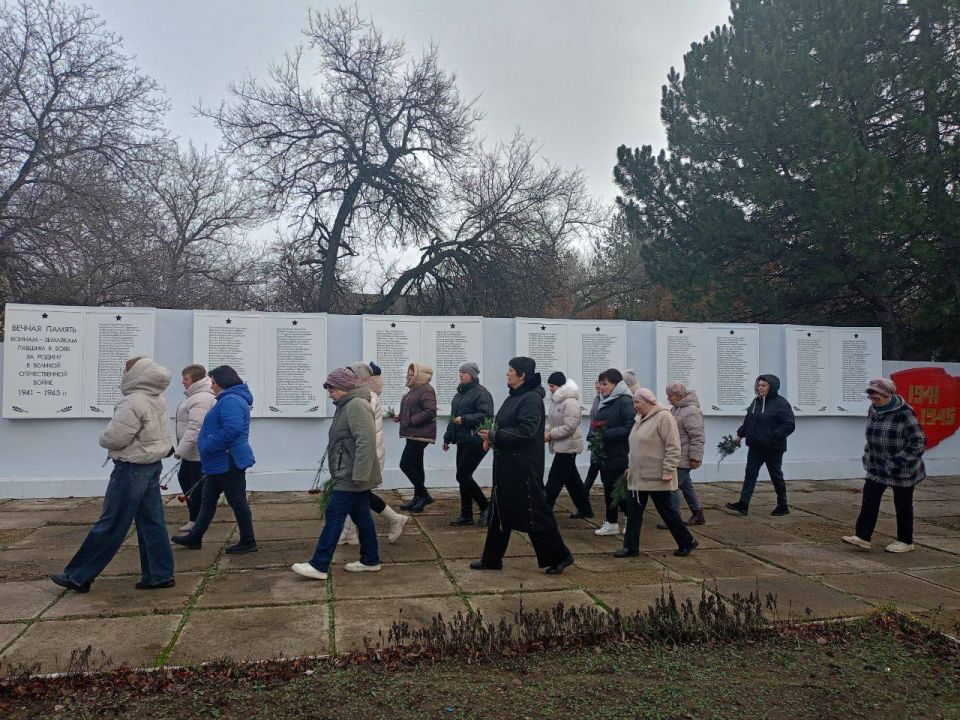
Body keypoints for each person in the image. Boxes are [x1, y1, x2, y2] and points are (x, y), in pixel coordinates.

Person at [51, 357, 176, 592]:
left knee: (111, 522)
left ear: (135, 374)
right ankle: (159, 574)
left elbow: (114, 438)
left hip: (131, 468)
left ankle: (78, 575)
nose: (123, 374)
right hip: (152, 463)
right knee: (152, 522)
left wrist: (103, 438)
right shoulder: (156, 397)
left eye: (126, 371)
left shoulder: (132, 401)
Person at [471, 357, 574, 575]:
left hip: (524, 468)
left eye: (511, 370)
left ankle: (561, 556)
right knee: (499, 511)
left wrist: (495, 435)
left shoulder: (531, 399)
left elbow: (527, 431)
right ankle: (492, 559)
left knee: (534, 512)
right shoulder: (515, 396)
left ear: (522, 375)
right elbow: (504, 426)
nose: (507, 373)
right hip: (507, 465)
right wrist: (492, 438)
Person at [292, 368, 382, 580]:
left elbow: (366, 441)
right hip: (349, 472)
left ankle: (319, 565)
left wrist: (359, 474)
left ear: (344, 387)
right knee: (362, 516)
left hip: (351, 475)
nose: (329, 394)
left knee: (334, 515)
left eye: (332, 389)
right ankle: (370, 560)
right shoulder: (346, 404)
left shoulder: (356, 405)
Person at [172, 365, 258, 554]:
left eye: (213, 382)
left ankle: (248, 541)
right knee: (208, 500)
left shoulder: (232, 400)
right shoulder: (227, 399)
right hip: (220, 461)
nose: (211, 385)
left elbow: (232, 429)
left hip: (228, 460)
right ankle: (195, 537)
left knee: (237, 501)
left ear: (222, 382)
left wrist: (209, 445)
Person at [843, 377, 927, 554]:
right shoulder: (874, 409)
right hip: (877, 465)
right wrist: (868, 455)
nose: (873, 401)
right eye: (871, 398)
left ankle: (905, 541)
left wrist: (899, 461)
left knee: (903, 504)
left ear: (888, 395)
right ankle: (863, 537)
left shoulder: (904, 412)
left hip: (902, 468)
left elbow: (918, 441)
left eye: (877, 398)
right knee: (869, 500)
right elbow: (871, 434)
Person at [616, 388, 699, 558]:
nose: (634, 406)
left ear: (648, 402)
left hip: (657, 476)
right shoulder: (639, 418)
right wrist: (631, 468)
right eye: (634, 402)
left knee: (667, 512)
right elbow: (637, 447)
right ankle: (631, 547)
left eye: (637, 402)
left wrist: (669, 470)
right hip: (638, 476)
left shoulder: (664, 417)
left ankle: (687, 541)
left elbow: (673, 446)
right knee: (633, 513)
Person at [338, 362, 409, 544]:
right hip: (366, 454)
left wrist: (360, 460)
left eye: (349, 374)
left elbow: (365, 435)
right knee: (358, 495)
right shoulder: (363, 395)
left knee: (356, 494)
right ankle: (350, 533)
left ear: (358, 378)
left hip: (367, 455)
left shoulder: (366, 397)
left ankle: (393, 520)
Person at [725, 374, 795, 517]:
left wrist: (773, 436)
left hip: (773, 448)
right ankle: (743, 504)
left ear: (772, 387)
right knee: (750, 474)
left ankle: (783, 506)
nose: (760, 388)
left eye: (764, 385)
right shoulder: (756, 402)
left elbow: (789, 425)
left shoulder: (781, 404)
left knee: (776, 476)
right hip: (755, 447)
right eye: (759, 385)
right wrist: (739, 435)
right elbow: (749, 421)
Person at [443, 362, 494, 526]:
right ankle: (466, 515)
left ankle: (485, 506)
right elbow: (453, 418)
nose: (461, 375)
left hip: (477, 440)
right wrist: (447, 438)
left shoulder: (481, 393)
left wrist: (464, 419)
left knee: (462, 475)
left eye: (464, 372)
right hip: (463, 440)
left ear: (472, 375)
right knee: (463, 477)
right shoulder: (459, 394)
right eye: (460, 372)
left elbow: (486, 415)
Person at [590, 368, 635, 536]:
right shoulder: (605, 400)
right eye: (600, 384)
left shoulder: (625, 401)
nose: (601, 387)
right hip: (606, 453)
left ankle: (631, 519)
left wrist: (604, 435)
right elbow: (597, 423)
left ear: (616, 384)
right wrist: (593, 435)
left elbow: (629, 428)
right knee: (609, 489)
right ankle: (611, 522)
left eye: (605, 384)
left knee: (619, 490)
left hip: (619, 453)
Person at [173, 364, 216, 532]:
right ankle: (195, 519)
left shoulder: (201, 398)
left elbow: (196, 428)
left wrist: (180, 451)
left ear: (195, 380)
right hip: (191, 452)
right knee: (187, 482)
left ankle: (197, 521)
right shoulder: (195, 396)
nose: (183, 382)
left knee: (194, 487)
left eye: (186, 378)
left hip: (197, 453)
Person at [544, 371, 592, 517]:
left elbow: (570, 426)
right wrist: (547, 431)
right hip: (562, 445)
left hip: (568, 446)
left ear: (560, 386)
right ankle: (585, 509)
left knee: (554, 479)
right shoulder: (556, 401)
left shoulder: (570, 402)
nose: (550, 389)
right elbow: (551, 420)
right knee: (572, 481)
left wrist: (551, 434)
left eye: (552, 386)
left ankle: (544, 510)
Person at [660, 382, 706, 527]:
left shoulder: (691, 411)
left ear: (679, 395)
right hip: (677, 456)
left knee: (671, 487)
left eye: (670, 396)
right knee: (687, 487)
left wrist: (695, 458)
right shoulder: (676, 408)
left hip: (683, 457)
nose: (668, 398)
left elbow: (697, 437)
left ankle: (674, 519)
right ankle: (698, 514)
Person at [394, 363, 437, 513]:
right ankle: (418, 498)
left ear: (420, 375)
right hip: (413, 433)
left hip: (420, 434)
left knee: (405, 464)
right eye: (409, 374)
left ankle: (424, 495)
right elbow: (413, 409)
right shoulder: (414, 389)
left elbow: (430, 411)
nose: (409, 376)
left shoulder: (426, 389)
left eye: (412, 374)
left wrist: (411, 420)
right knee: (417, 466)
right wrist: (401, 416)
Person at [574, 377, 604, 519]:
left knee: (598, 472)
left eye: (599, 388)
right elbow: (594, 419)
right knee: (593, 471)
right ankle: (583, 498)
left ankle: (583, 499)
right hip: (595, 440)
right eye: (596, 388)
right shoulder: (597, 399)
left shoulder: (605, 401)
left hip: (602, 441)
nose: (597, 390)